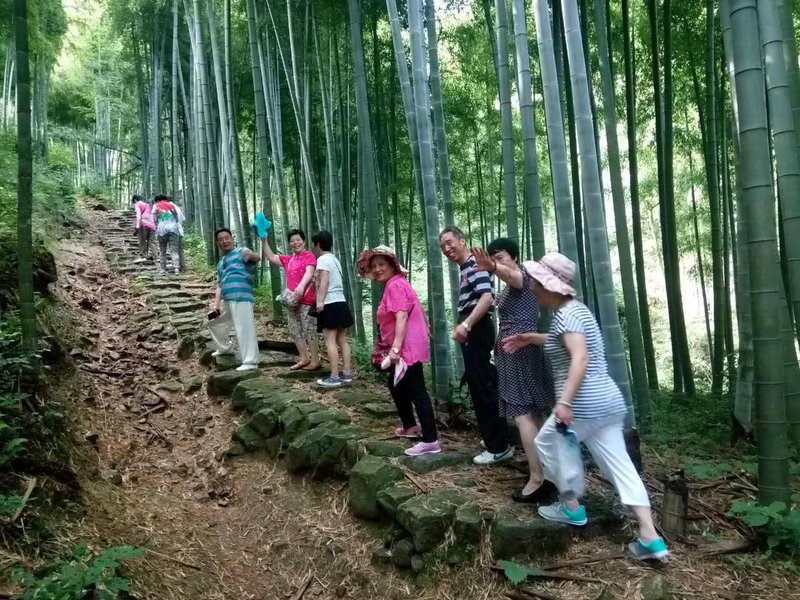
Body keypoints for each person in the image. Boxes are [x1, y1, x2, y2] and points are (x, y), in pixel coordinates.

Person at [503, 252, 668, 561]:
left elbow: (580, 356)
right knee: (620, 466)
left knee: (545, 442)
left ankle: (571, 506)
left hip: (583, 404)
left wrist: (565, 402)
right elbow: (563, 341)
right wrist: (531, 337)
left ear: (549, 285)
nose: (532, 288)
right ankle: (650, 536)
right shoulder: (576, 311)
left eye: (536, 282)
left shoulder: (566, 316)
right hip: (608, 403)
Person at [473, 241, 556, 502]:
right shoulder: (508, 287)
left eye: (501, 256)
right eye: (493, 257)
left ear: (515, 257)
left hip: (519, 346)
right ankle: (550, 472)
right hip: (514, 347)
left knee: (522, 414)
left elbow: (514, 277)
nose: (496, 261)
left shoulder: (524, 275)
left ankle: (538, 478)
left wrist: (492, 266)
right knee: (532, 413)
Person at [357, 246, 441, 457]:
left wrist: (395, 349)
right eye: (374, 266)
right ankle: (410, 426)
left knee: (417, 391)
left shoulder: (395, 285)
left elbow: (401, 316)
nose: (377, 269)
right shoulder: (397, 283)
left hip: (406, 348)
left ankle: (431, 440)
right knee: (396, 384)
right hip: (408, 344)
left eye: (382, 264)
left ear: (392, 265)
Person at [439, 226, 511, 465]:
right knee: (483, 382)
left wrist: (466, 324)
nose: (447, 249)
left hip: (477, 328)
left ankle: (498, 446)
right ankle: (497, 437)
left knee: (483, 386)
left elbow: (486, 298)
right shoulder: (467, 267)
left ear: (462, 241)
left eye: (450, 242)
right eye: (443, 246)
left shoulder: (474, 264)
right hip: (476, 328)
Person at [261, 228, 320, 371]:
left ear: (304, 241)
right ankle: (304, 358)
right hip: (292, 302)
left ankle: (315, 360)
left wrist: (301, 286)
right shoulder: (289, 259)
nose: (295, 243)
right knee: (295, 330)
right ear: (289, 243)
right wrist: (264, 240)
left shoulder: (309, 255)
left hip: (306, 300)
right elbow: (271, 256)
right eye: (292, 241)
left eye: (298, 240)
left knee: (309, 330)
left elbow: (310, 271)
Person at [208, 228, 261, 372]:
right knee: (211, 320)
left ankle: (251, 361)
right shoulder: (221, 262)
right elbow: (219, 284)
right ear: (217, 243)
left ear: (232, 239)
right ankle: (224, 348)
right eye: (220, 240)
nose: (224, 241)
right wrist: (216, 304)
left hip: (241, 296)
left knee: (244, 327)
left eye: (227, 238)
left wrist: (252, 255)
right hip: (226, 299)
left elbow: (255, 257)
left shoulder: (241, 251)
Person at [311, 231, 354, 388]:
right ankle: (346, 373)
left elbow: (325, 282)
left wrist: (320, 302)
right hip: (341, 301)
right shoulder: (335, 259)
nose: (312, 247)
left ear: (318, 244)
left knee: (329, 339)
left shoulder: (322, 259)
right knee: (342, 339)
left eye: (313, 244)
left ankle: (334, 376)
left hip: (330, 302)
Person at [152, 194, 181, 276]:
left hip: (162, 230)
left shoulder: (156, 205)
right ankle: (176, 269)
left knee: (162, 251)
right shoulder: (172, 205)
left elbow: (154, 219)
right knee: (174, 250)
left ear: (157, 200)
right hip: (174, 229)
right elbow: (177, 218)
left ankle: (162, 270)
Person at [132, 194, 155, 261]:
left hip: (143, 224)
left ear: (135, 200)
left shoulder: (137, 204)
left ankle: (143, 256)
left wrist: (137, 225)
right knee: (151, 241)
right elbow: (152, 215)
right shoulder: (148, 205)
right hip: (151, 225)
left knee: (142, 240)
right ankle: (156, 256)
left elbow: (138, 215)